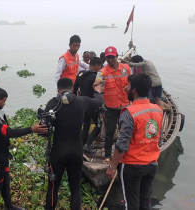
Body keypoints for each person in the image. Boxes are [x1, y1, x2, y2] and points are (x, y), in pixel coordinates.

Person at [0, 88, 48, 210]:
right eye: (4, 101)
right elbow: (8, 132)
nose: (5, 103)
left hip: (2, 155)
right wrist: (31, 129)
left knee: (6, 182)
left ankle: (9, 206)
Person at [106, 73, 163, 210]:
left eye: (129, 86)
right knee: (145, 203)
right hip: (152, 164)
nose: (127, 88)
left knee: (131, 205)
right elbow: (158, 140)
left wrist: (112, 166)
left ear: (134, 90)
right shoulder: (158, 110)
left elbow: (122, 145)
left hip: (132, 165)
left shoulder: (129, 112)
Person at [45, 78, 103, 210]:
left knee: (53, 188)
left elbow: (44, 126)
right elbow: (99, 102)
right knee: (75, 188)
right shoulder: (82, 101)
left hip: (58, 152)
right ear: (72, 89)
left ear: (58, 90)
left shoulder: (53, 103)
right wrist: (97, 91)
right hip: (77, 151)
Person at [93, 46, 131, 162]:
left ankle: (128, 152)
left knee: (127, 130)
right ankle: (108, 156)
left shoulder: (126, 68)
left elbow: (132, 81)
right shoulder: (102, 72)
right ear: (105, 58)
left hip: (125, 107)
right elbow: (96, 83)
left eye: (112, 57)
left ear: (117, 56)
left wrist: (129, 87)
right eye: (108, 58)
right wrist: (98, 83)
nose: (110, 60)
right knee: (110, 132)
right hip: (111, 107)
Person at [73, 57, 103, 153]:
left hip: (82, 102)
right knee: (99, 125)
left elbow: (74, 89)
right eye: (100, 67)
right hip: (92, 103)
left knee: (86, 125)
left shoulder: (80, 74)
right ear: (97, 66)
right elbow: (96, 92)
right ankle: (87, 145)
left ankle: (82, 145)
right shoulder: (95, 77)